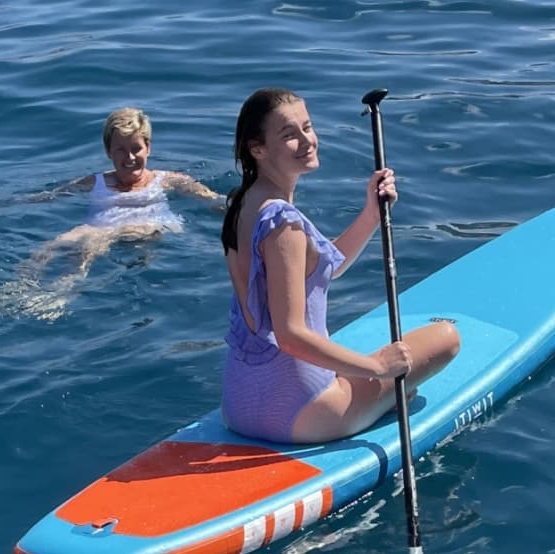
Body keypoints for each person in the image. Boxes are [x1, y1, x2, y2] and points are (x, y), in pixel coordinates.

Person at [220, 88, 460, 444]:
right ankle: (379, 401)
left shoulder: (241, 204)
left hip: (238, 406)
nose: (306, 140)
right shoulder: (283, 222)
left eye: (307, 127)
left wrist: (370, 215)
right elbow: (290, 335)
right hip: (303, 413)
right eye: (289, 135)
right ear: (258, 149)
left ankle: (375, 399)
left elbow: (317, 271)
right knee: (446, 337)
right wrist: (378, 368)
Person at [24, 106, 223, 279]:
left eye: (136, 148)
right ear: (108, 151)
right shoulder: (95, 182)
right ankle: (23, 285)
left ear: (148, 148)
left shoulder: (167, 180)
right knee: (52, 246)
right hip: (101, 230)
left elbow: (211, 199)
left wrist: (239, 207)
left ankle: (67, 289)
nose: (130, 157)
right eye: (120, 150)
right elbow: (50, 196)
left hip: (149, 229)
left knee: (93, 243)